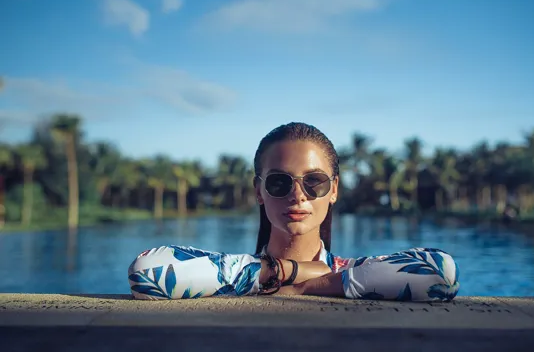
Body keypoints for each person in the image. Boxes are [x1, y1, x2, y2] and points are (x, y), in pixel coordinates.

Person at [128, 122, 460, 301]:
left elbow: (441, 274)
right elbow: (146, 272)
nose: (298, 195)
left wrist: (308, 283)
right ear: (258, 190)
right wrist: (277, 273)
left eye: (314, 182)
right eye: (279, 183)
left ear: (334, 190)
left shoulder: (348, 270)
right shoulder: (243, 271)